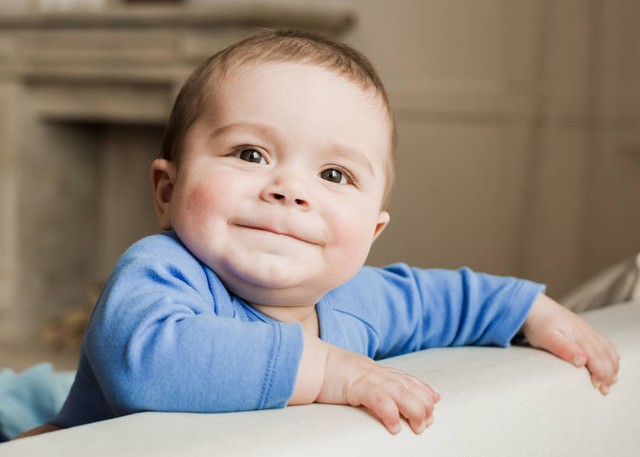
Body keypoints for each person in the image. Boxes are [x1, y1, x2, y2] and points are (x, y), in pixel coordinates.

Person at [16, 29, 619, 439]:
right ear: (167, 193)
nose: (289, 189)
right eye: (250, 153)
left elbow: (445, 300)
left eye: (334, 174)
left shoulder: (359, 300)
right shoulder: (161, 271)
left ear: (373, 231)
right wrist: (331, 373)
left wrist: (529, 311)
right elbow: (144, 362)